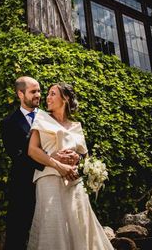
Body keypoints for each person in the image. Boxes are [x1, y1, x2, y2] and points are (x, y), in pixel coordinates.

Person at [26, 82, 114, 250]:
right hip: (49, 178)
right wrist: (59, 166)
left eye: (53, 94)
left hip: (74, 182)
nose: (47, 97)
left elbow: (84, 156)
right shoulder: (41, 118)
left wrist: (77, 158)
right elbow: (32, 150)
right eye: (48, 93)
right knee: (52, 224)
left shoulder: (76, 126)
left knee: (79, 224)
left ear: (65, 98)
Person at [1, 76, 80, 250]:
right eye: (33, 91)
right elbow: (18, 156)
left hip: (53, 184)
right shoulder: (8, 123)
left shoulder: (51, 117)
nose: (39, 95)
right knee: (17, 236)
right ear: (20, 94)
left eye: (39, 91)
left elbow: (69, 140)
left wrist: (73, 157)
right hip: (24, 187)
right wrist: (52, 159)